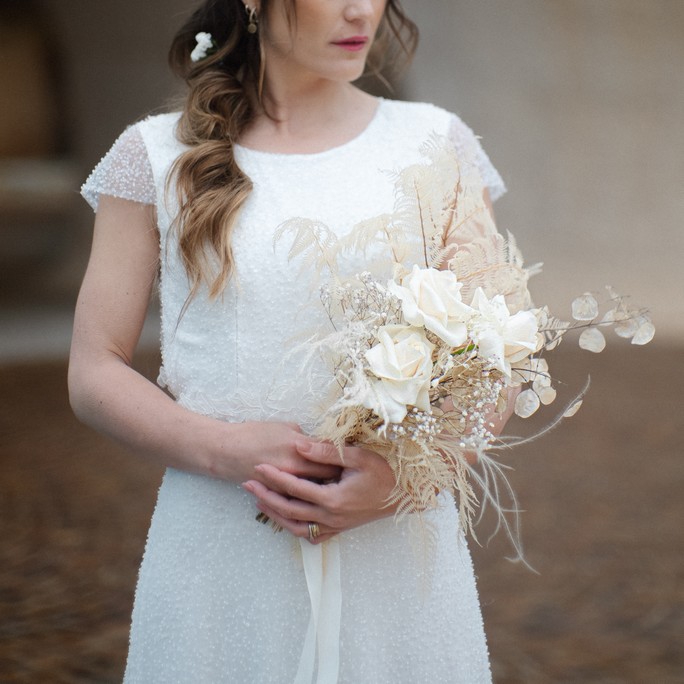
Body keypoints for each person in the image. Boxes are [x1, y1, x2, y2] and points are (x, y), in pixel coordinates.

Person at [69, 1, 508, 682]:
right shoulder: (155, 154)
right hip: (221, 551)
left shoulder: (435, 144)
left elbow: (500, 357)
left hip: (395, 555)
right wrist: (222, 449)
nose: (361, 9)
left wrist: (400, 482)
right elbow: (93, 368)